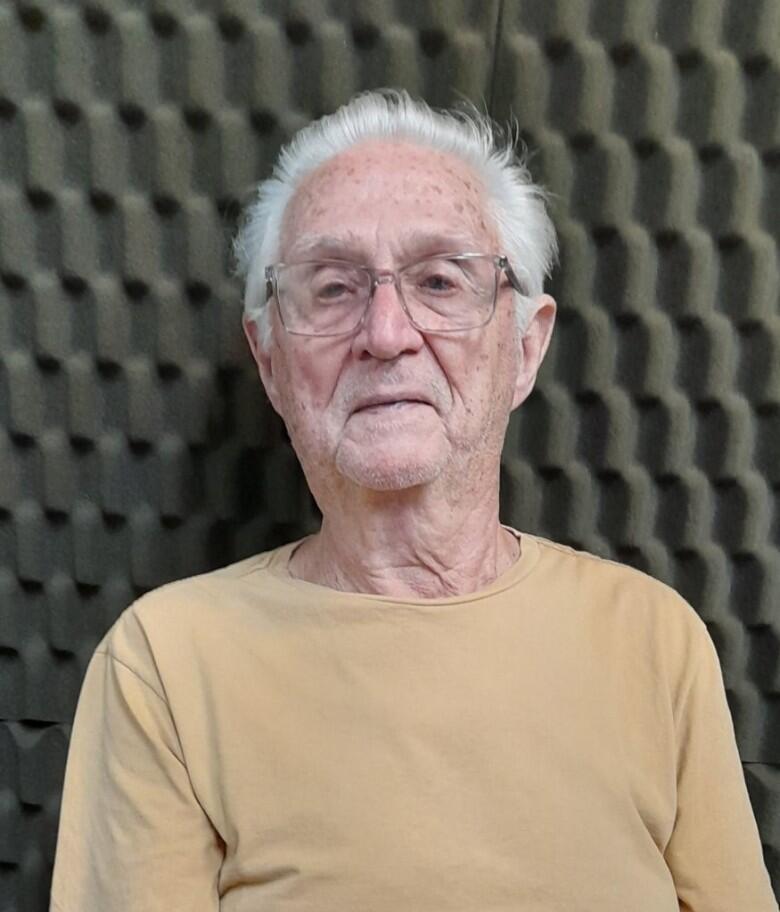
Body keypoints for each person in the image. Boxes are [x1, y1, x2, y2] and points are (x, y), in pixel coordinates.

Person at [50, 90, 777, 911]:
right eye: (333, 289)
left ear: (526, 345)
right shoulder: (164, 665)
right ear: (270, 360)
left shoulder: (655, 640)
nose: (387, 333)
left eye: (439, 280)